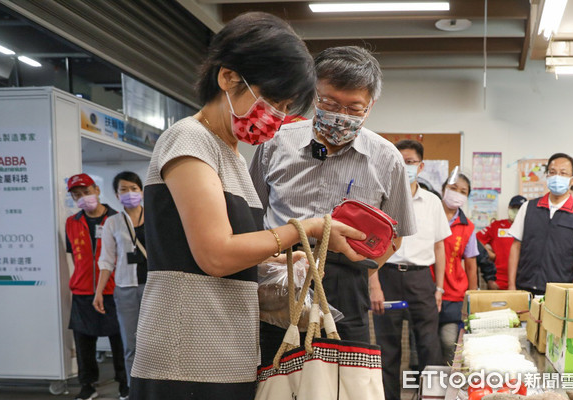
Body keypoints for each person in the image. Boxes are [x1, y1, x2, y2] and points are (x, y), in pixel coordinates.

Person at [129, 13, 366, 400]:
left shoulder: (231, 155)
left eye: (286, 106)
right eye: (272, 99)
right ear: (227, 77)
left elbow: (217, 253)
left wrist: (277, 263)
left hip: (227, 349)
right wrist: (305, 229)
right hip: (185, 357)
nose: (275, 116)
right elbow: (215, 256)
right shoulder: (189, 141)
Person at [250, 45, 416, 365]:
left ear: (371, 105)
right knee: (274, 373)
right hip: (279, 275)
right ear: (314, 93)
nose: (340, 115)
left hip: (346, 281)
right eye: (329, 102)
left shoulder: (386, 159)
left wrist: (356, 268)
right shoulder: (276, 142)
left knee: (342, 379)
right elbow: (251, 213)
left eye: (354, 108)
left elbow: (395, 237)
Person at [370, 140, 449, 400]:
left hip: (421, 279)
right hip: (388, 276)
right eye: (400, 161)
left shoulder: (433, 202)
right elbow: (372, 248)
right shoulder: (381, 200)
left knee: (430, 346)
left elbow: (440, 248)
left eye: (411, 162)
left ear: (421, 166)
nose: (406, 166)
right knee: (387, 349)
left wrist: (439, 288)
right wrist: (375, 285)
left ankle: (433, 398)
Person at [64, 173, 127, 400]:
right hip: (82, 291)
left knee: (120, 339)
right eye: (77, 195)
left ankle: (124, 383)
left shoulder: (118, 219)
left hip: (112, 289)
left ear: (97, 190)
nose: (83, 198)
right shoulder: (71, 223)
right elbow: (74, 255)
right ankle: (87, 385)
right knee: (83, 342)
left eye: (86, 192)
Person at [94, 171, 146, 396]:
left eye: (133, 188)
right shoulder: (112, 223)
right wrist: (98, 293)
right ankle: (134, 391)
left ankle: (155, 390)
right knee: (131, 346)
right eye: (124, 189)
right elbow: (106, 260)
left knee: (157, 343)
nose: (129, 193)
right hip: (126, 289)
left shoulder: (155, 217)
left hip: (155, 287)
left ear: (141, 191)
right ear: (116, 194)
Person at [508, 153, 573, 295]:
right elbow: (516, 247)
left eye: (563, 173)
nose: (557, 177)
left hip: (559, 293)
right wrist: (511, 285)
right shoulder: (528, 207)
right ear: (547, 176)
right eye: (552, 172)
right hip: (524, 288)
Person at [437, 173, 478, 364]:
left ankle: (448, 385)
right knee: (423, 344)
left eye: (463, 192)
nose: (457, 194)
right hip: (424, 289)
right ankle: (426, 389)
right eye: (453, 188)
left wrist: (472, 297)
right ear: (443, 188)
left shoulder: (468, 227)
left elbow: (471, 264)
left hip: (453, 294)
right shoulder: (429, 216)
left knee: (448, 341)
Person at [477, 195, 526, 290]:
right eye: (514, 208)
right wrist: (489, 254)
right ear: (509, 208)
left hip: (522, 281)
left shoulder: (530, 228)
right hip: (497, 281)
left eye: (520, 208)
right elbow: (475, 240)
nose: (517, 211)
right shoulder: (496, 226)